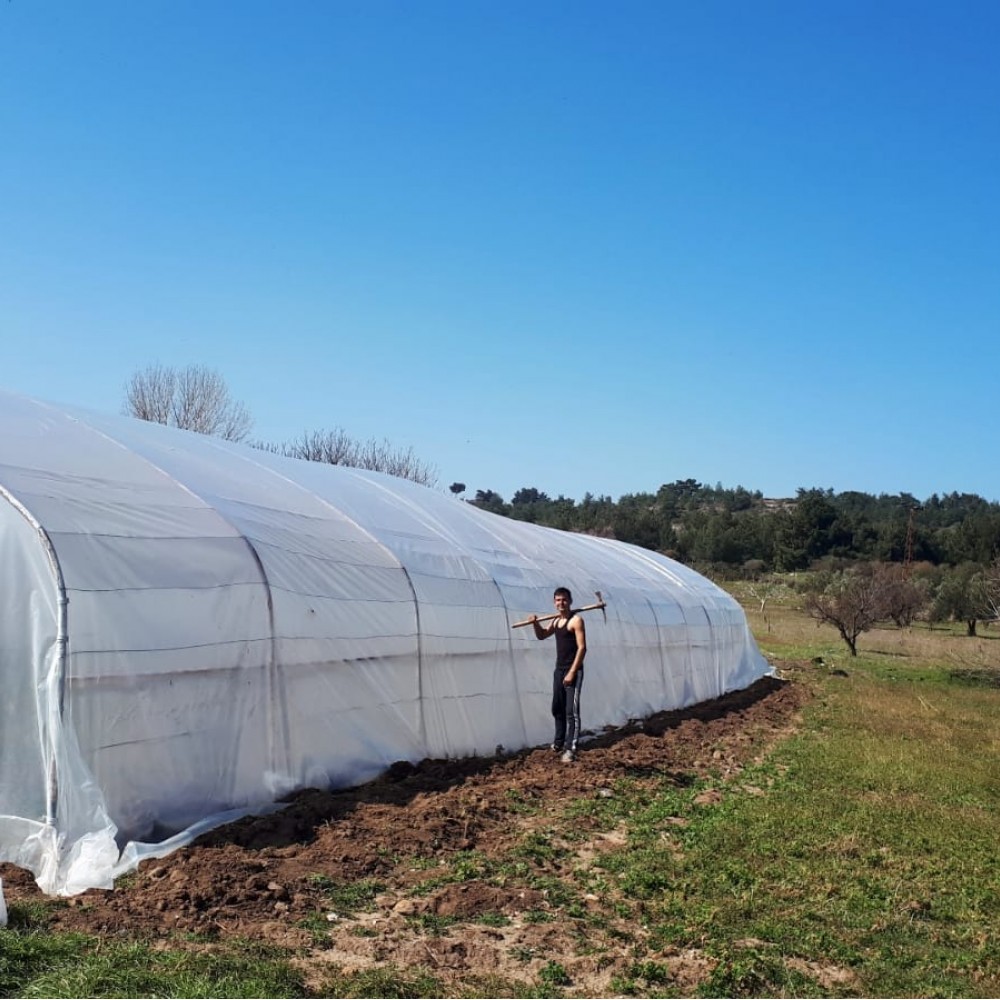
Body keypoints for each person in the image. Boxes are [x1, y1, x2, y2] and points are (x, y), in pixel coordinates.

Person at [531, 586, 586, 762]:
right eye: (558, 600)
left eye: (564, 599)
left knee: (571, 711)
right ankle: (558, 742)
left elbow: (582, 648)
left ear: (570, 601)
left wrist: (572, 672)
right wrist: (535, 623)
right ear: (554, 602)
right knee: (557, 708)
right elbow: (541, 635)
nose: (561, 603)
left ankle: (571, 748)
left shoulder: (576, 621)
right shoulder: (555, 621)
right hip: (559, 670)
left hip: (573, 670)